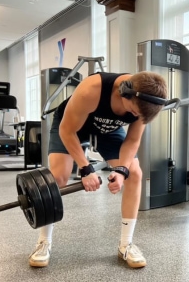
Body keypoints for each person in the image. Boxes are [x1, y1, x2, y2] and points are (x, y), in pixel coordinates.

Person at [28, 71, 168, 269]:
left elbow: (133, 140)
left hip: (109, 129)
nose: (135, 116)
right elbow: (67, 131)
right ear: (124, 92)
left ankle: (126, 244)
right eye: (134, 112)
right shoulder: (92, 90)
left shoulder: (145, 105)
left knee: (135, 173)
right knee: (58, 178)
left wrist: (121, 170)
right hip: (71, 126)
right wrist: (86, 168)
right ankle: (44, 241)